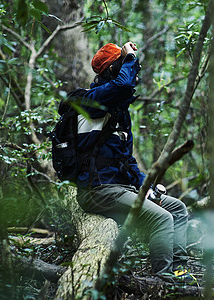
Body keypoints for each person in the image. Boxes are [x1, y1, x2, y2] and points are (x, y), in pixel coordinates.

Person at [75, 41, 194, 281]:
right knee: (162, 218)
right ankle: (164, 280)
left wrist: (147, 189)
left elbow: (126, 161)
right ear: (112, 71)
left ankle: (180, 271)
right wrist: (129, 58)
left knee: (177, 209)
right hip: (98, 190)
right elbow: (123, 85)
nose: (134, 71)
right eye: (125, 65)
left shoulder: (119, 111)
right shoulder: (92, 101)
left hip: (121, 188)